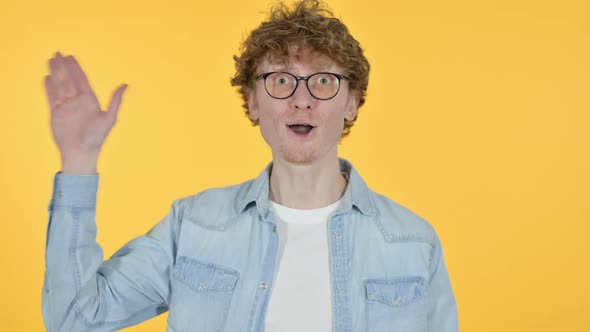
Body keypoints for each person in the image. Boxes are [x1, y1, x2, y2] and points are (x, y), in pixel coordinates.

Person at [42, 0, 458, 331]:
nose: (302, 99)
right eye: (280, 79)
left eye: (324, 80)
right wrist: (79, 162)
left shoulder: (412, 243)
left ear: (352, 102)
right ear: (253, 102)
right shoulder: (193, 225)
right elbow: (75, 320)